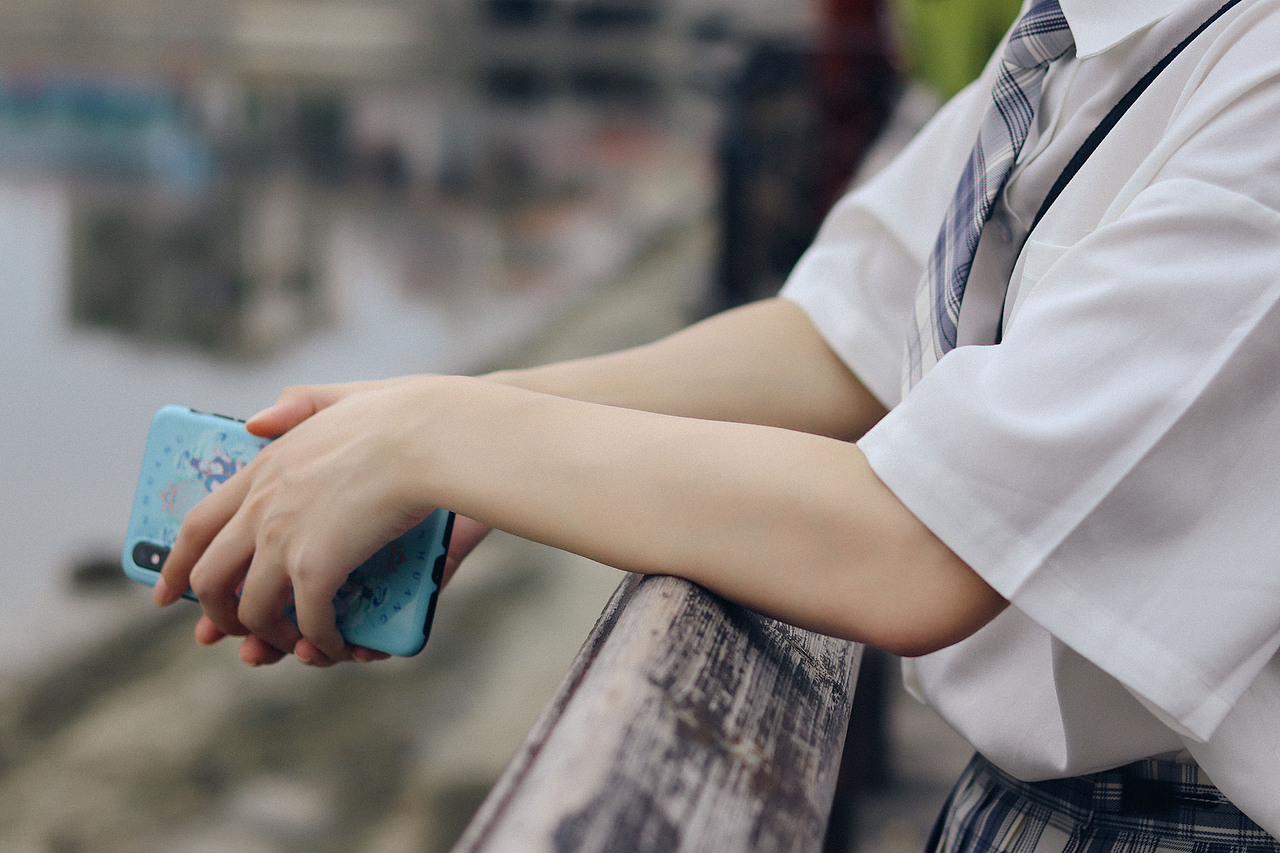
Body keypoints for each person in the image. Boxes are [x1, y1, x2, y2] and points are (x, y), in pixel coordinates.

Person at [156, 0, 1280, 844]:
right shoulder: (1117, 27)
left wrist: (438, 441)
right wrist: (440, 422)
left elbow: (918, 547)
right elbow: (840, 335)